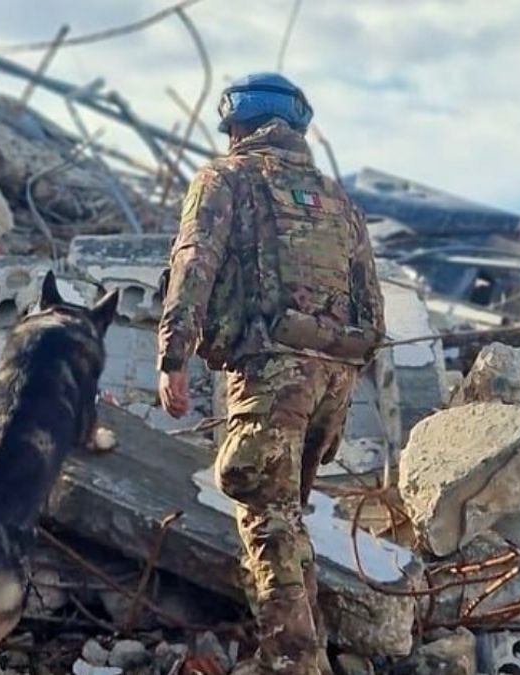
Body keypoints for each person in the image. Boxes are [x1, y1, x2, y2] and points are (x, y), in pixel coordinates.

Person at [156, 72, 385, 675]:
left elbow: (194, 263)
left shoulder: (223, 179)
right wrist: (345, 375)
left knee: (263, 510)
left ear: (236, 127)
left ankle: (291, 663)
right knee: (287, 515)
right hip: (335, 376)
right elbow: (372, 301)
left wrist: (173, 355)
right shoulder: (338, 198)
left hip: (272, 370)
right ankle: (303, 654)